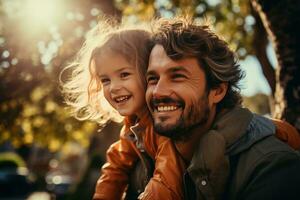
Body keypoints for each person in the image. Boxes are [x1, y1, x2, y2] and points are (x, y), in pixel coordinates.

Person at [144, 16, 300, 199]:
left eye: (177, 76)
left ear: (217, 91)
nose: (158, 92)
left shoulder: (271, 166)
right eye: (152, 79)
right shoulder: (144, 157)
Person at [60, 19, 185, 199]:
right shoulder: (132, 125)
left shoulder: (163, 122)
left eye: (124, 74)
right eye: (105, 80)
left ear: (149, 74)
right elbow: (116, 165)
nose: (113, 87)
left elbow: (166, 182)